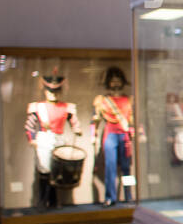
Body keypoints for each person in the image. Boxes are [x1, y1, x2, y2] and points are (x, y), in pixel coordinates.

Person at [25, 68, 81, 208]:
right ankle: (43, 201)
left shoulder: (66, 107)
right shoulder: (38, 107)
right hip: (44, 139)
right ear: (45, 90)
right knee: (44, 170)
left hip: (59, 139)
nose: (53, 94)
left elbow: (74, 122)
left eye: (56, 91)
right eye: (50, 90)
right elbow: (29, 125)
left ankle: (55, 201)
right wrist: (32, 139)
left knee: (58, 171)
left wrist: (77, 129)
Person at [91, 66, 133, 205]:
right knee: (110, 166)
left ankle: (128, 195)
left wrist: (137, 132)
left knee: (127, 168)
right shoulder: (102, 100)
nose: (115, 83)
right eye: (113, 80)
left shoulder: (129, 100)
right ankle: (110, 197)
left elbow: (133, 119)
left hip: (125, 135)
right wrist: (94, 135)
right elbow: (95, 119)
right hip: (110, 134)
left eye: (118, 80)